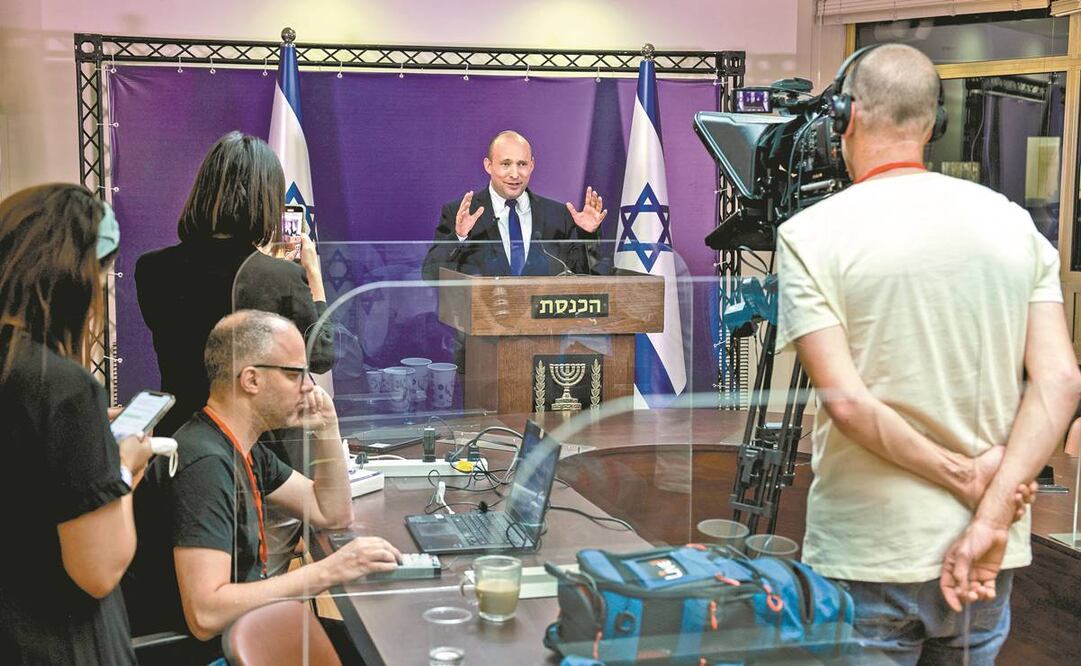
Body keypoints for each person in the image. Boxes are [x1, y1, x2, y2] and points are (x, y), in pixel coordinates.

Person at [775, 43, 1081, 663]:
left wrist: (963, 477)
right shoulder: (1014, 223)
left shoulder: (809, 235)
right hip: (985, 552)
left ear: (847, 117)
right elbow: (1061, 383)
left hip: (868, 551)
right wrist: (992, 514)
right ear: (932, 124)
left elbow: (849, 404)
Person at [124, 310, 399, 661]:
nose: (309, 387)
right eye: (295, 374)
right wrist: (331, 570)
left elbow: (331, 512)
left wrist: (326, 428)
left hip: (244, 630)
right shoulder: (205, 463)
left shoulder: (244, 448)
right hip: (209, 652)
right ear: (251, 379)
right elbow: (205, 614)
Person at [0, 184, 153, 664]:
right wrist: (122, 469)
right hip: (56, 641)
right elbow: (99, 569)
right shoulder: (63, 386)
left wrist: (85, 432)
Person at [135, 131, 336, 438]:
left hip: (179, 435)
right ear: (267, 198)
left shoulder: (151, 267)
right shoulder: (278, 277)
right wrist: (313, 276)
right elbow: (320, 355)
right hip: (255, 448)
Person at [421, 130, 607, 280]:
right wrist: (459, 237)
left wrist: (586, 235)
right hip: (482, 321)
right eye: (505, 164)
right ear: (488, 165)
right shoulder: (460, 213)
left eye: (522, 164)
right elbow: (430, 274)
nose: (515, 174)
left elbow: (584, 276)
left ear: (532, 165)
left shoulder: (558, 215)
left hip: (543, 322)